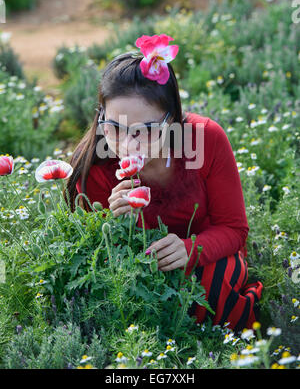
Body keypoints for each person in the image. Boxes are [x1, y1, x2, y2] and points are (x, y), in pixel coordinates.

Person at [64, 34, 263, 332]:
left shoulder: (205, 140)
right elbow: (93, 257)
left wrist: (190, 249)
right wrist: (111, 221)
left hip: (205, 255)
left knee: (213, 283)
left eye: (146, 130)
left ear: (172, 121)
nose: (129, 144)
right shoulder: (94, 165)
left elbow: (234, 230)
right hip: (137, 271)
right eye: (115, 128)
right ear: (101, 117)